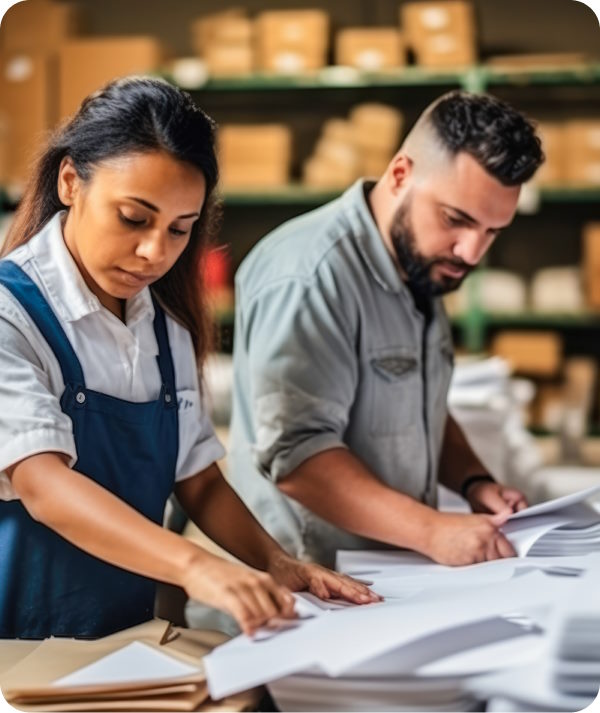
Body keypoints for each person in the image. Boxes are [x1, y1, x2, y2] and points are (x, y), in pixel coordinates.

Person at [0, 76, 379, 640]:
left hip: (120, 638)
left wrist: (277, 563)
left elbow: (196, 479)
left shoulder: (164, 327)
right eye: (134, 218)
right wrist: (196, 566)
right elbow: (42, 484)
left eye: (180, 229)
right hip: (17, 642)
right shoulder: (12, 311)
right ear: (71, 182)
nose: (155, 252)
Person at [229, 90, 544, 568]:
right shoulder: (310, 275)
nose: (471, 253)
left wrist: (475, 482)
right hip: (305, 587)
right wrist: (433, 531)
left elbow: (420, 409)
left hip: (390, 580)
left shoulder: (422, 266)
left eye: (492, 231)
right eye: (456, 220)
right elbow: (297, 458)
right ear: (400, 175)